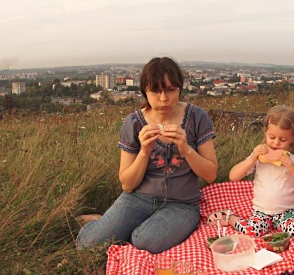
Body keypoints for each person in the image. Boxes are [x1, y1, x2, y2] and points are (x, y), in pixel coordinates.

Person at [76, 56, 218, 254]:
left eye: (170, 90)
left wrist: (186, 149)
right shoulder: (134, 123)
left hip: (182, 204)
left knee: (145, 241)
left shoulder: (196, 117)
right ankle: (98, 222)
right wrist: (144, 151)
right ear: (145, 91)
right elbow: (127, 184)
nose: (163, 98)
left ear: (180, 88)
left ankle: (124, 228)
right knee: (88, 245)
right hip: (138, 198)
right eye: (155, 91)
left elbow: (210, 174)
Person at [207, 105, 294, 238]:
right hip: (261, 212)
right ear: (265, 132)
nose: (276, 143)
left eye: (282, 140)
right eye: (271, 137)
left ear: (292, 139)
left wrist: (293, 170)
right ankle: (230, 217)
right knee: (251, 231)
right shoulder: (258, 158)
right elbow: (233, 176)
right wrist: (252, 158)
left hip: (286, 212)